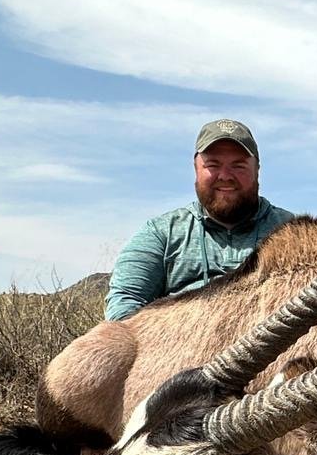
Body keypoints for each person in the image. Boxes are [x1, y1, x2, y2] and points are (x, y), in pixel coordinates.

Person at [105, 119, 296, 320]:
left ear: (257, 169)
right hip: (179, 348)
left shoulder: (294, 232)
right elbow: (124, 304)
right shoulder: (161, 232)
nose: (225, 176)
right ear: (196, 168)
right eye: (213, 165)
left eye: (238, 166)